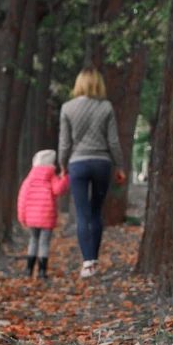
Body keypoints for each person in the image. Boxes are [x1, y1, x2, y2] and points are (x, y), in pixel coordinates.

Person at [58, 67, 125, 278]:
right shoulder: (106, 107)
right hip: (101, 163)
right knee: (96, 211)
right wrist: (120, 165)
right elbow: (113, 140)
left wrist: (62, 164)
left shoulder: (67, 108)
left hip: (77, 163)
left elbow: (65, 142)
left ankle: (87, 263)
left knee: (82, 213)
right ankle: (94, 261)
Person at [17, 149, 69, 279]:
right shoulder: (51, 177)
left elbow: (22, 199)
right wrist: (65, 177)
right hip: (46, 217)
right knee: (44, 243)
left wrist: (22, 217)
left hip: (32, 219)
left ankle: (28, 270)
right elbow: (58, 190)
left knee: (33, 240)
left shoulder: (29, 179)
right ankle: (42, 271)